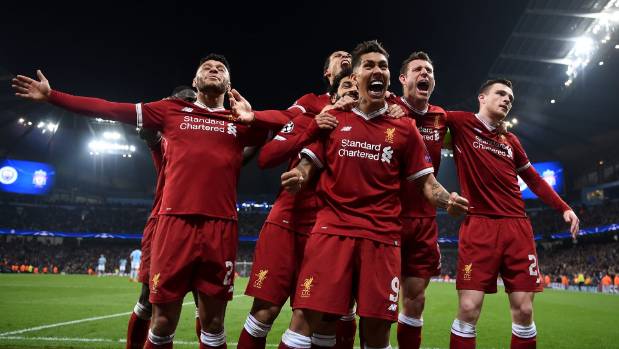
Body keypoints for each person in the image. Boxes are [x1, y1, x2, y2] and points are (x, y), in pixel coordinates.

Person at [12, 54, 270, 349]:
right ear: (196, 81)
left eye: (220, 69)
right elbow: (110, 109)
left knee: (214, 325)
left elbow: (285, 127)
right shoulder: (170, 111)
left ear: (229, 84)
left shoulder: (241, 123)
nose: (214, 70)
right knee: (160, 322)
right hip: (174, 225)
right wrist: (52, 96)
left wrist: (257, 119)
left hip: (221, 227)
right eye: (206, 68)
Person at [276, 40, 469, 349]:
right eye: (369, 65)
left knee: (377, 333)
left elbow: (428, 184)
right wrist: (298, 176)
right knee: (304, 321)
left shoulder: (405, 129)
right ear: (354, 76)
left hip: (382, 239)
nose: (377, 70)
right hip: (332, 232)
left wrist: (450, 201)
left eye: (383, 65)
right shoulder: (334, 119)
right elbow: (306, 165)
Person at [446, 79, 580, 349]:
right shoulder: (459, 123)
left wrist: (563, 207)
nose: (507, 99)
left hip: (517, 228)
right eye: (500, 93)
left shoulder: (511, 140)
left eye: (510, 97)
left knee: (525, 312)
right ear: (482, 97)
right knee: (469, 308)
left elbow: (535, 180)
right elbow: (422, 116)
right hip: (479, 225)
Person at [237, 67, 357, 349]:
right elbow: (266, 157)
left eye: (356, 88)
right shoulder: (307, 117)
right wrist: (314, 127)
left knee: (326, 320)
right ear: (333, 92)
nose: (351, 92)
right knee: (265, 311)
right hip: (288, 223)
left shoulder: (368, 130)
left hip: (331, 233)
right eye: (346, 87)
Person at [387, 51, 448, 349]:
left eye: (429, 70)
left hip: (424, 220)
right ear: (402, 79)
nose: (424, 74)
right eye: (418, 69)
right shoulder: (385, 106)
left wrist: (497, 124)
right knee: (376, 301)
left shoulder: (441, 117)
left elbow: (474, 128)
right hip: (386, 216)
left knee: (415, 299)